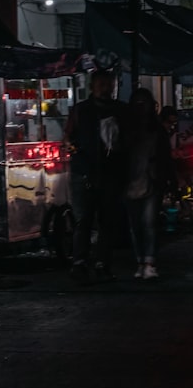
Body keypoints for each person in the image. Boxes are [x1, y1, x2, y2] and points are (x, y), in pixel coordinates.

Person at [63, 69, 128, 283]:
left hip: (111, 173)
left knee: (107, 222)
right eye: (101, 84)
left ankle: (102, 263)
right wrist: (73, 148)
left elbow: (129, 140)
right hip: (84, 172)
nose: (106, 88)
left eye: (108, 84)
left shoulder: (121, 111)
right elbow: (67, 138)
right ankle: (79, 263)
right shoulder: (81, 111)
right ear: (92, 87)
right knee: (83, 220)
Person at [122, 89, 174, 280]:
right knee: (135, 224)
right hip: (131, 180)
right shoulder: (126, 129)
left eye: (144, 103)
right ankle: (141, 261)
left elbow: (165, 157)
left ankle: (149, 262)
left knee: (148, 222)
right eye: (138, 103)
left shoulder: (157, 129)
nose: (141, 107)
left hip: (152, 179)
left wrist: (169, 179)